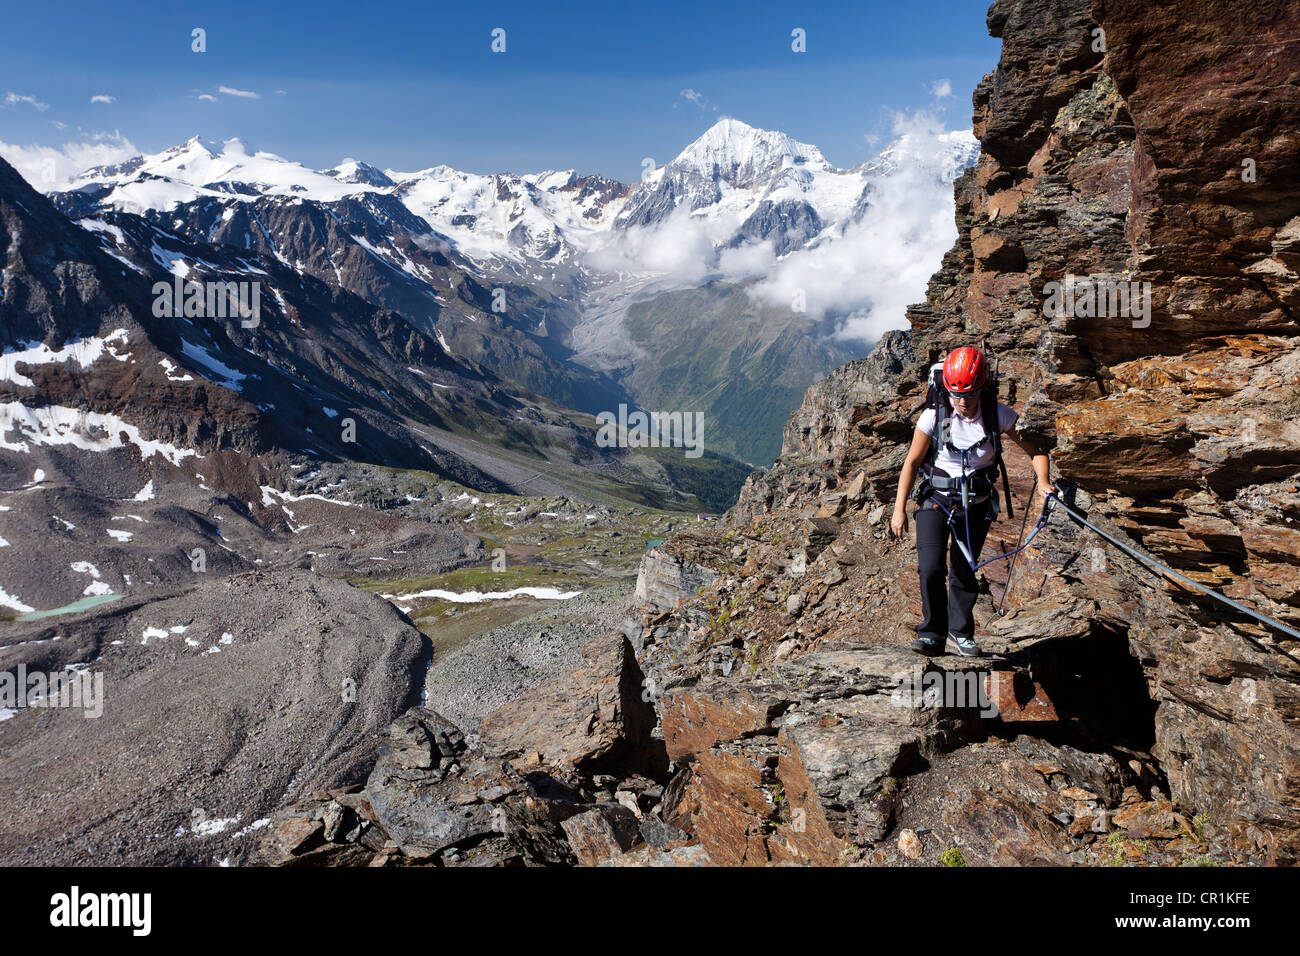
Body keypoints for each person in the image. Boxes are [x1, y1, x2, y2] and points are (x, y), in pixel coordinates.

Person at [889, 346, 1055, 657]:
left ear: (983, 388)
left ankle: (960, 633)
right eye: (956, 394)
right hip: (935, 499)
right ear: (947, 388)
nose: (963, 401)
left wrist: (1043, 483)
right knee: (931, 568)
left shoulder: (998, 414)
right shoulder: (933, 415)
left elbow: (1036, 451)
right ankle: (932, 635)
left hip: (975, 505)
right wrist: (899, 511)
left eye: (971, 394)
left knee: (965, 570)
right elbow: (911, 463)